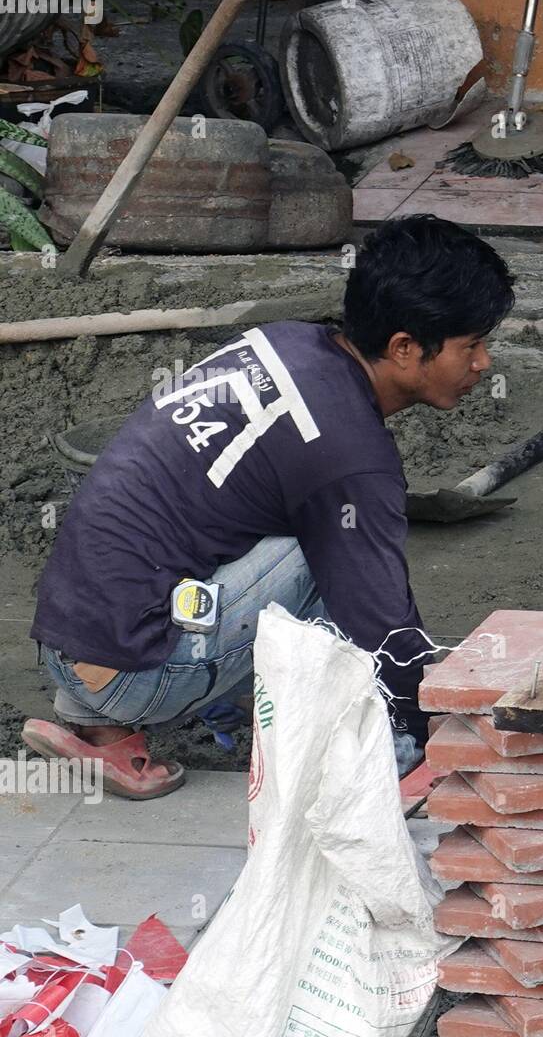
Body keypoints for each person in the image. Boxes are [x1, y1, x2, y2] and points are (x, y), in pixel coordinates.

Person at [24, 214, 514, 798]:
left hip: (70, 636)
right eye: (472, 345)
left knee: (278, 530)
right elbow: (379, 623)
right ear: (405, 348)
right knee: (325, 560)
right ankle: (392, 759)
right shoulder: (348, 453)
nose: (484, 364)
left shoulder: (283, 341)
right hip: (133, 672)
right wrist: (430, 722)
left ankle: (98, 730)